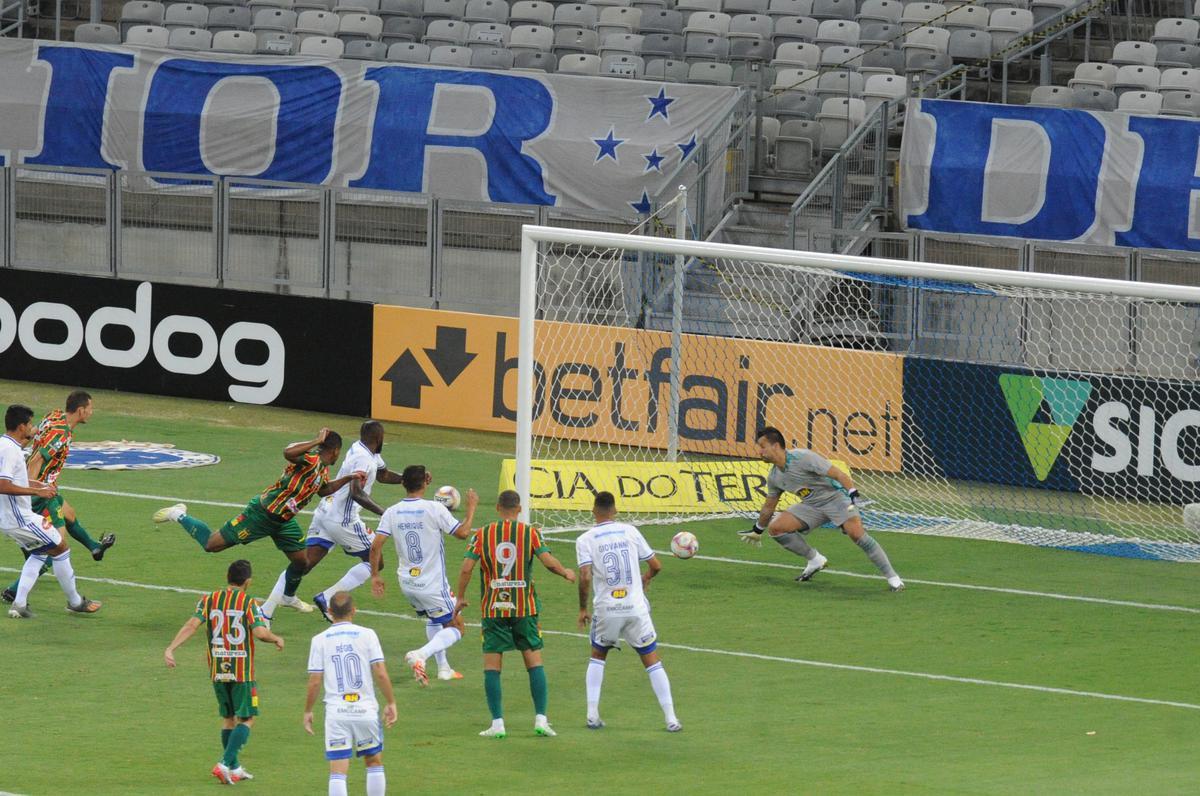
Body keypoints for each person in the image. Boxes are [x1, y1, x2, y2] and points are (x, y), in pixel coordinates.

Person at [153, 428, 365, 621]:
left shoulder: (322, 469)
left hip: (284, 521)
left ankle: (289, 597)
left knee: (302, 562)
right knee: (211, 544)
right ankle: (178, 514)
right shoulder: (310, 458)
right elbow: (288, 452)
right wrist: (315, 440)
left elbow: (324, 490)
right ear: (335, 450)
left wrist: (349, 477)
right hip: (262, 515)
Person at [454, 490, 575, 739]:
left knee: (492, 665)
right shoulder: (529, 532)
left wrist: (461, 597)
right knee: (534, 662)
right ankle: (541, 720)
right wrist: (566, 573)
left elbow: (467, 568)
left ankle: (497, 724)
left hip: (493, 607)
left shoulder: (483, 534)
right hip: (524, 608)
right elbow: (548, 562)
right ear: (519, 509)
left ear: (498, 508)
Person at [737, 426, 905, 591]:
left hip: (836, 498)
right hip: (812, 505)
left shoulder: (803, 457)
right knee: (776, 528)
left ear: (775, 446)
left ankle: (893, 578)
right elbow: (769, 506)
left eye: (762, 447)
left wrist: (852, 492)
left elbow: (839, 474)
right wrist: (758, 530)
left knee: (856, 534)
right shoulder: (775, 477)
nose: (759, 452)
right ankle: (815, 559)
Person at [164, 559, 285, 785]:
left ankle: (235, 768)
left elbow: (192, 625)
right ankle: (223, 763)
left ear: (228, 577)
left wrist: (171, 648)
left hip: (218, 669)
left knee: (229, 718)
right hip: (242, 671)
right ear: (247, 581)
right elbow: (259, 632)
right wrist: (276, 638)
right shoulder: (248, 603)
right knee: (247, 719)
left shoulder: (209, 600)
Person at [576, 491, 680, 732]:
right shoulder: (630, 531)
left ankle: (592, 715)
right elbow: (656, 565)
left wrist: (582, 608)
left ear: (594, 511)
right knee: (652, 659)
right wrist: (645, 578)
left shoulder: (585, 539)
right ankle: (671, 718)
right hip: (635, 607)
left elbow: (584, 576)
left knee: (598, 655)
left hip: (607, 608)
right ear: (615, 510)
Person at [1, 390, 115, 603]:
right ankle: (15, 592)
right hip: (41, 492)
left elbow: (32, 433)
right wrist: (33, 491)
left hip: (46, 488)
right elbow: (36, 462)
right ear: (80, 410)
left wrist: (21, 448)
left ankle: (94, 547)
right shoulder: (60, 435)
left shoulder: (54, 415)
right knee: (57, 546)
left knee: (68, 513)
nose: (91, 412)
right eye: (90, 408)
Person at [370, 465, 478, 685]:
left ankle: (444, 668)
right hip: (432, 584)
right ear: (426, 482)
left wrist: (375, 576)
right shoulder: (434, 509)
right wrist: (471, 508)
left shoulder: (392, 511)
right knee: (457, 627)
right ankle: (421, 654)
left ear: (402, 483)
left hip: (407, 582)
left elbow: (375, 546)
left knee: (434, 617)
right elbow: (463, 533)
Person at [302, 421, 405, 623]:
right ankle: (326, 598)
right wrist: (384, 513)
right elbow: (356, 493)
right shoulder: (364, 459)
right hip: (343, 519)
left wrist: (408, 479)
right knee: (376, 560)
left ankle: (272, 605)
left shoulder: (364, 450)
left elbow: (383, 475)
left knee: (304, 564)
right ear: (379, 438)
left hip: (326, 510)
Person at [304, 591, 397, 796]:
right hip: (365, 709)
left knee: (338, 770)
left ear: (329, 612)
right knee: (373, 761)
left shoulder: (319, 640)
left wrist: (308, 710)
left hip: (337, 713)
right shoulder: (368, 634)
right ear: (353, 611)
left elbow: (314, 681)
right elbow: (380, 673)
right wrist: (391, 702)